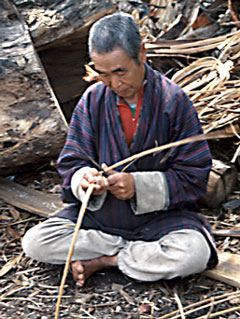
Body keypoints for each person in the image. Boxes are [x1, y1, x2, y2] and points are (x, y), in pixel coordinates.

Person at [22, 12, 218, 287]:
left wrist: (138, 185)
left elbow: (194, 174)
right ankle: (134, 255)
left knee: (193, 254)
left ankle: (106, 260)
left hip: (161, 219)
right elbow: (72, 159)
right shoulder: (93, 100)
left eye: (120, 72)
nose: (115, 84)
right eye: (103, 74)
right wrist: (86, 179)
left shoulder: (173, 101)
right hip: (103, 218)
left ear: (142, 53)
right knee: (35, 242)